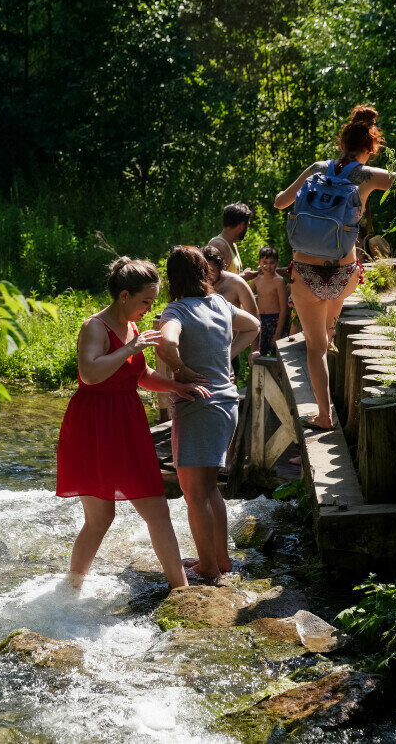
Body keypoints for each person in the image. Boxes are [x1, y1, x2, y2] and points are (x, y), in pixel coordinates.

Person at [274, 106, 396, 430]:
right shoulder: (363, 176)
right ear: (370, 148)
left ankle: (324, 415)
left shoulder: (316, 169)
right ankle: (329, 328)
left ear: (342, 143)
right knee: (333, 310)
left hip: (305, 274)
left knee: (314, 349)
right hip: (343, 275)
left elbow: (280, 201)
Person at [56, 257, 211, 590]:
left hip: (127, 423)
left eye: (152, 301)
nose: (149, 308)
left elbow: (138, 374)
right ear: (124, 296)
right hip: (93, 427)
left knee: (156, 507)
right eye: (145, 301)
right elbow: (90, 374)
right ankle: (70, 590)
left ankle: (180, 590)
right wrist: (130, 346)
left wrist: (175, 386)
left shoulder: (133, 327)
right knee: (101, 517)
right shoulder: (94, 327)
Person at [156, 246, 260, 581]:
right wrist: (225, 357)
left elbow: (166, 343)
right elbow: (254, 325)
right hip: (227, 403)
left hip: (198, 405)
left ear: (173, 278)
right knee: (210, 487)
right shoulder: (220, 303)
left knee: (194, 493)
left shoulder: (177, 310)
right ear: (204, 272)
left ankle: (208, 567)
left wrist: (181, 370)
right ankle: (221, 559)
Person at [202, 246, 260, 380]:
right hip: (206, 349)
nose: (208, 275)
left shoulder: (236, 283)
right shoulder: (201, 283)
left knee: (229, 389)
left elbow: (254, 317)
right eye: (204, 271)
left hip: (231, 348)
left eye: (212, 270)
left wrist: (255, 350)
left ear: (221, 266)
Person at [248, 246, 287, 361]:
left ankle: (278, 378)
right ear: (259, 262)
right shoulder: (257, 280)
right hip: (260, 322)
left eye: (272, 263)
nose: (268, 266)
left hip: (275, 322)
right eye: (265, 262)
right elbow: (245, 292)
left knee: (277, 359)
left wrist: (278, 334)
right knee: (258, 356)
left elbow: (284, 309)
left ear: (277, 263)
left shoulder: (279, 281)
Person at [206, 203, 256, 279]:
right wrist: (243, 276)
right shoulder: (218, 245)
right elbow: (212, 280)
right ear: (242, 225)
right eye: (247, 225)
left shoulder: (232, 245)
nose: (247, 229)